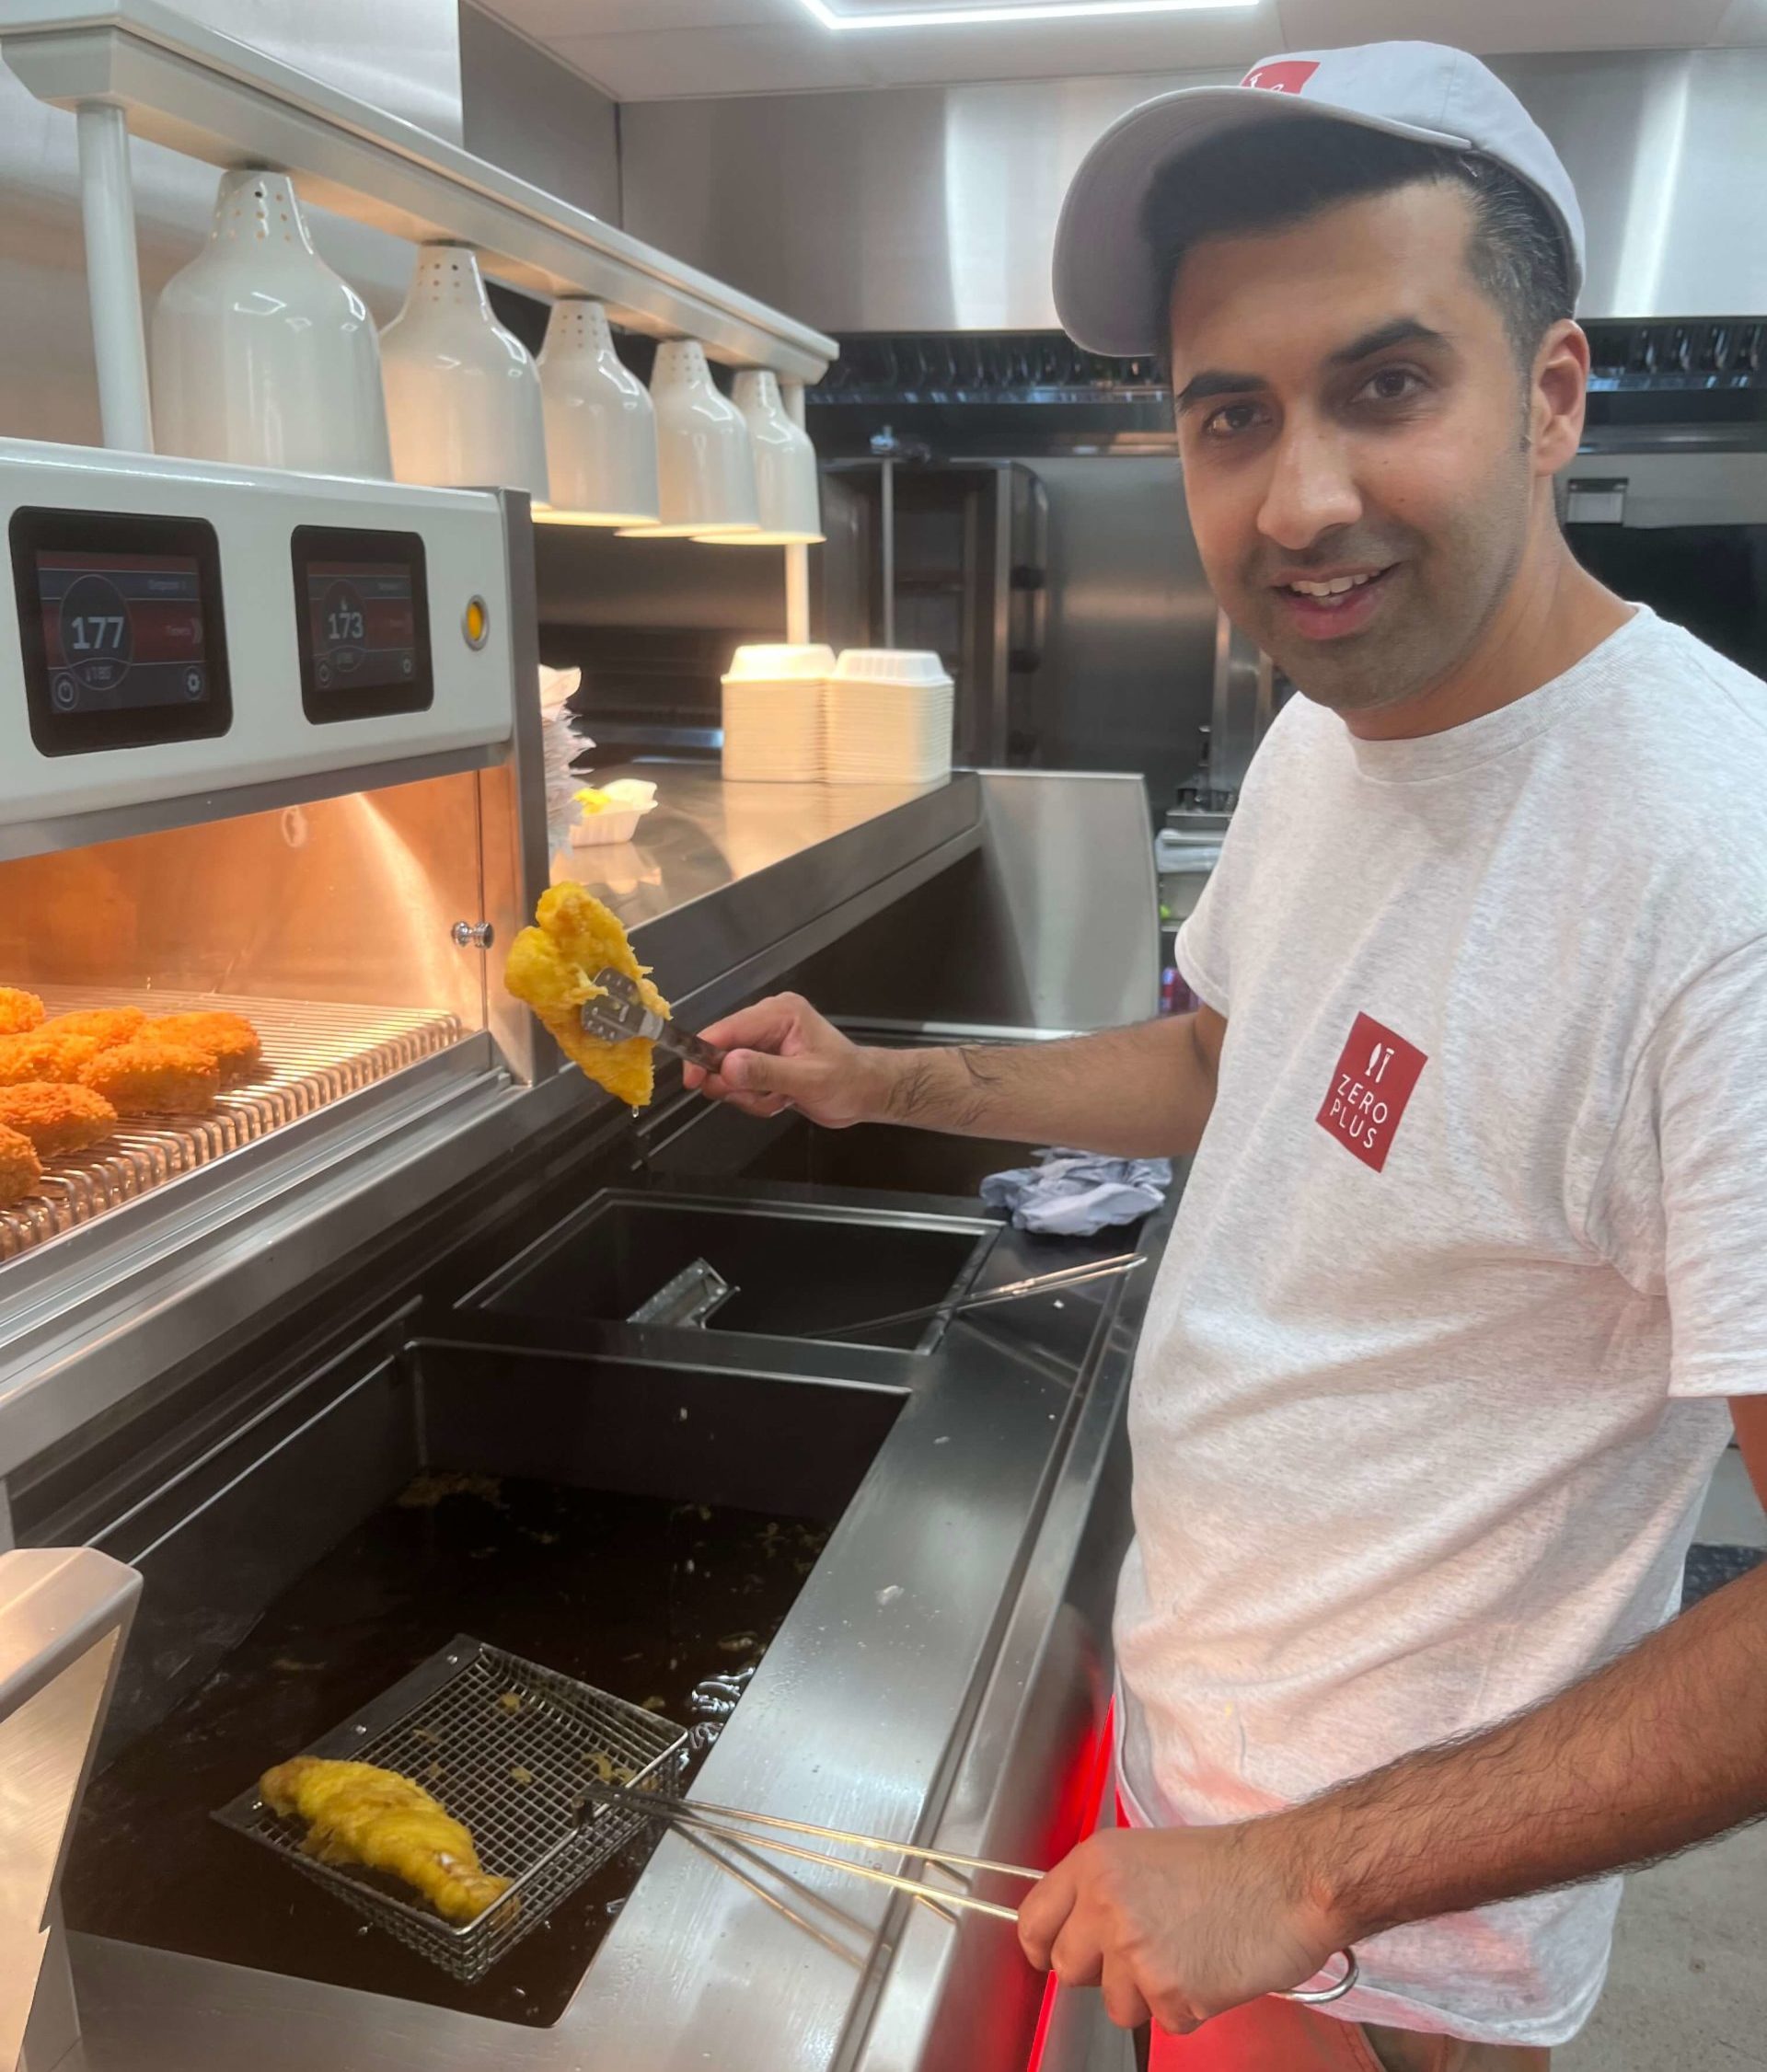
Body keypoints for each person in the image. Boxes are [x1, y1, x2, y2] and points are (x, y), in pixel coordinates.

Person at [684, 41, 1767, 2072]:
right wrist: (878, 1081)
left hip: (1383, 1954)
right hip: (1210, 1782)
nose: (1303, 501)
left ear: (1552, 395)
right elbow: (1226, 1075)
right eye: (1229, 414)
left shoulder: (1722, 873)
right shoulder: (1325, 737)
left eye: (1386, 384)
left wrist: (1309, 1876)